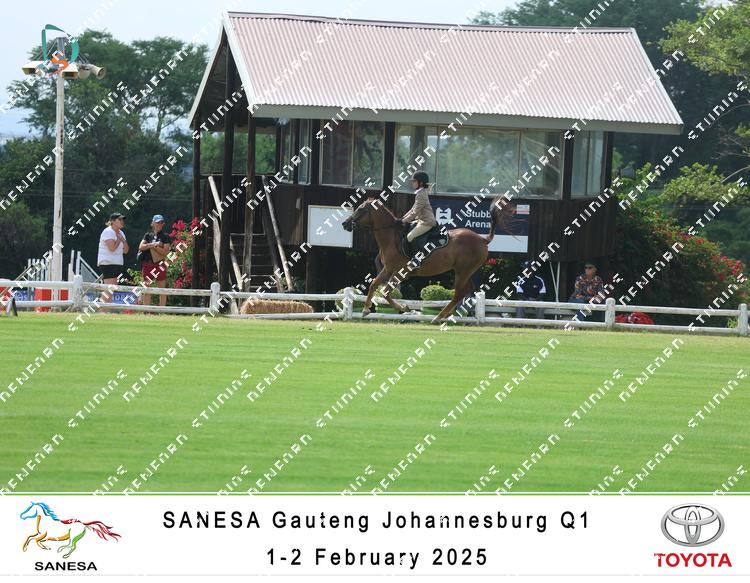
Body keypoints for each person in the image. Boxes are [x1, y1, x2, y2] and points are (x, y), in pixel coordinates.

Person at [401, 171, 438, 265]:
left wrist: (404, 220)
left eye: (414, 181)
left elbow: (415, 212)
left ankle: (417, 260)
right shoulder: (420, 192)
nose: (412, 183)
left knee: (409, 237)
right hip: (421, 220)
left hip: (426, 222)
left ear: (420, 183)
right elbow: (413, 209)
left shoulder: (421, 194)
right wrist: (403, 218)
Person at [138, 214, 172, 307]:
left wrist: (155, 247)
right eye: (157, 222)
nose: (159, 224)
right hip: (147, 264)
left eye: (161, 222)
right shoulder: (148, 235)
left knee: (162, 290)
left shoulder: (165, 236)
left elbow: (165, 252)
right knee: (147, 289)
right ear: (152, 223)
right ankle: (146, 311)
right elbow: (141, 247)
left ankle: (161, 311)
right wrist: (153, 244)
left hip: (160, 264)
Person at [97, 213, 129, 303]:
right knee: (109, 288)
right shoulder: (108, 231)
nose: (122, 221)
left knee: (111, 289)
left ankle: (105, 308)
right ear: (113, 221)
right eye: (120, 219)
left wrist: (123, 240)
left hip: (117, 263)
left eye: (122, 219)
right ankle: (103, 308)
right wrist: (119, 240)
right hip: (108, 263)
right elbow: (112, 248)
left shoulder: (121, 233)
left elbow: (126, 251)